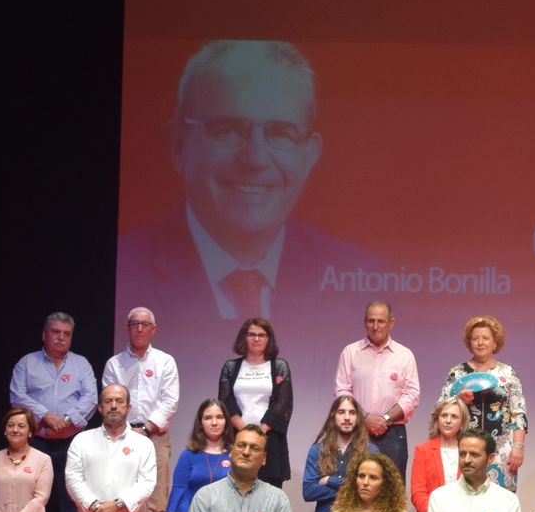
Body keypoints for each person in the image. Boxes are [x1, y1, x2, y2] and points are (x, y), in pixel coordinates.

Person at [116, 40, 386, 330]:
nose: (255, 159)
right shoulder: (123, 273)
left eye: (281, 133)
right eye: (229, 129)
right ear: (179, 145)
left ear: (310, 155)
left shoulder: (362, 278)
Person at [8, 312, 96, 512]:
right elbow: (17, 395)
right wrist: (45, 416)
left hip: (71, 442)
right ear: (44, 335)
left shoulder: (81, 364)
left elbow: (91, 397)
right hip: (38, 442)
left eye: (66, 334)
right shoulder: (27, 363)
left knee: (71, 505)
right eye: (56, 332)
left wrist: (66, 420)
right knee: (32, 504)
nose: (61, 338)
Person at [101, 307, 181, 512]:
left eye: (145, 324)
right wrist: (128, 430)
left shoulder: (165, 361)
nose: (139, 328)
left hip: (155, 436)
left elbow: (170, 400)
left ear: (153, 329)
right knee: (116, 496)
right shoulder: (115, 364)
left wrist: (146, 428)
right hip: (118, 435)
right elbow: (109, 401)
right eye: (134, 323)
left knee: (158, 503)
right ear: (127, 327)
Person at [439, 315, 528, 490]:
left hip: (501, 451)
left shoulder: (508, 373)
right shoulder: (457, 372)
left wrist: (518, 447)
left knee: (501, 504)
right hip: (464, 450)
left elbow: (519, 413)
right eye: (475, 338)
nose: (480, 342)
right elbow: (440, 408)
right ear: (469, 343)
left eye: (485, 338)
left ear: (495, 343)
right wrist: (458, 401)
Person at [335, 300, 421, 478]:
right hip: (356, 429)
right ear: (364, 322)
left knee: (392, 489)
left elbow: (412, 395)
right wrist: (365, 418)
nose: (375, 326)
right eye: (370, 321)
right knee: (353, 485)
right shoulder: (350, 352)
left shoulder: (404, 355)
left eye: (381, 321)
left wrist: (385, 419)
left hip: (392, 433)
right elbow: (342, 392)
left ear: (391, 323)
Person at [216, 317, 293, 488]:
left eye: (261, 335)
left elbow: (283, 402)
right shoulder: (231, 367)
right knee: (235, 488)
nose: (256, 339)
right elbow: (225, 400)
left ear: (268, 339)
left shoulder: (279, 366)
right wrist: (245, 429)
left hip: (269, 439)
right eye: (252, 334)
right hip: (237, 437)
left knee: (269, 494)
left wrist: (260, 430)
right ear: (244, 337)